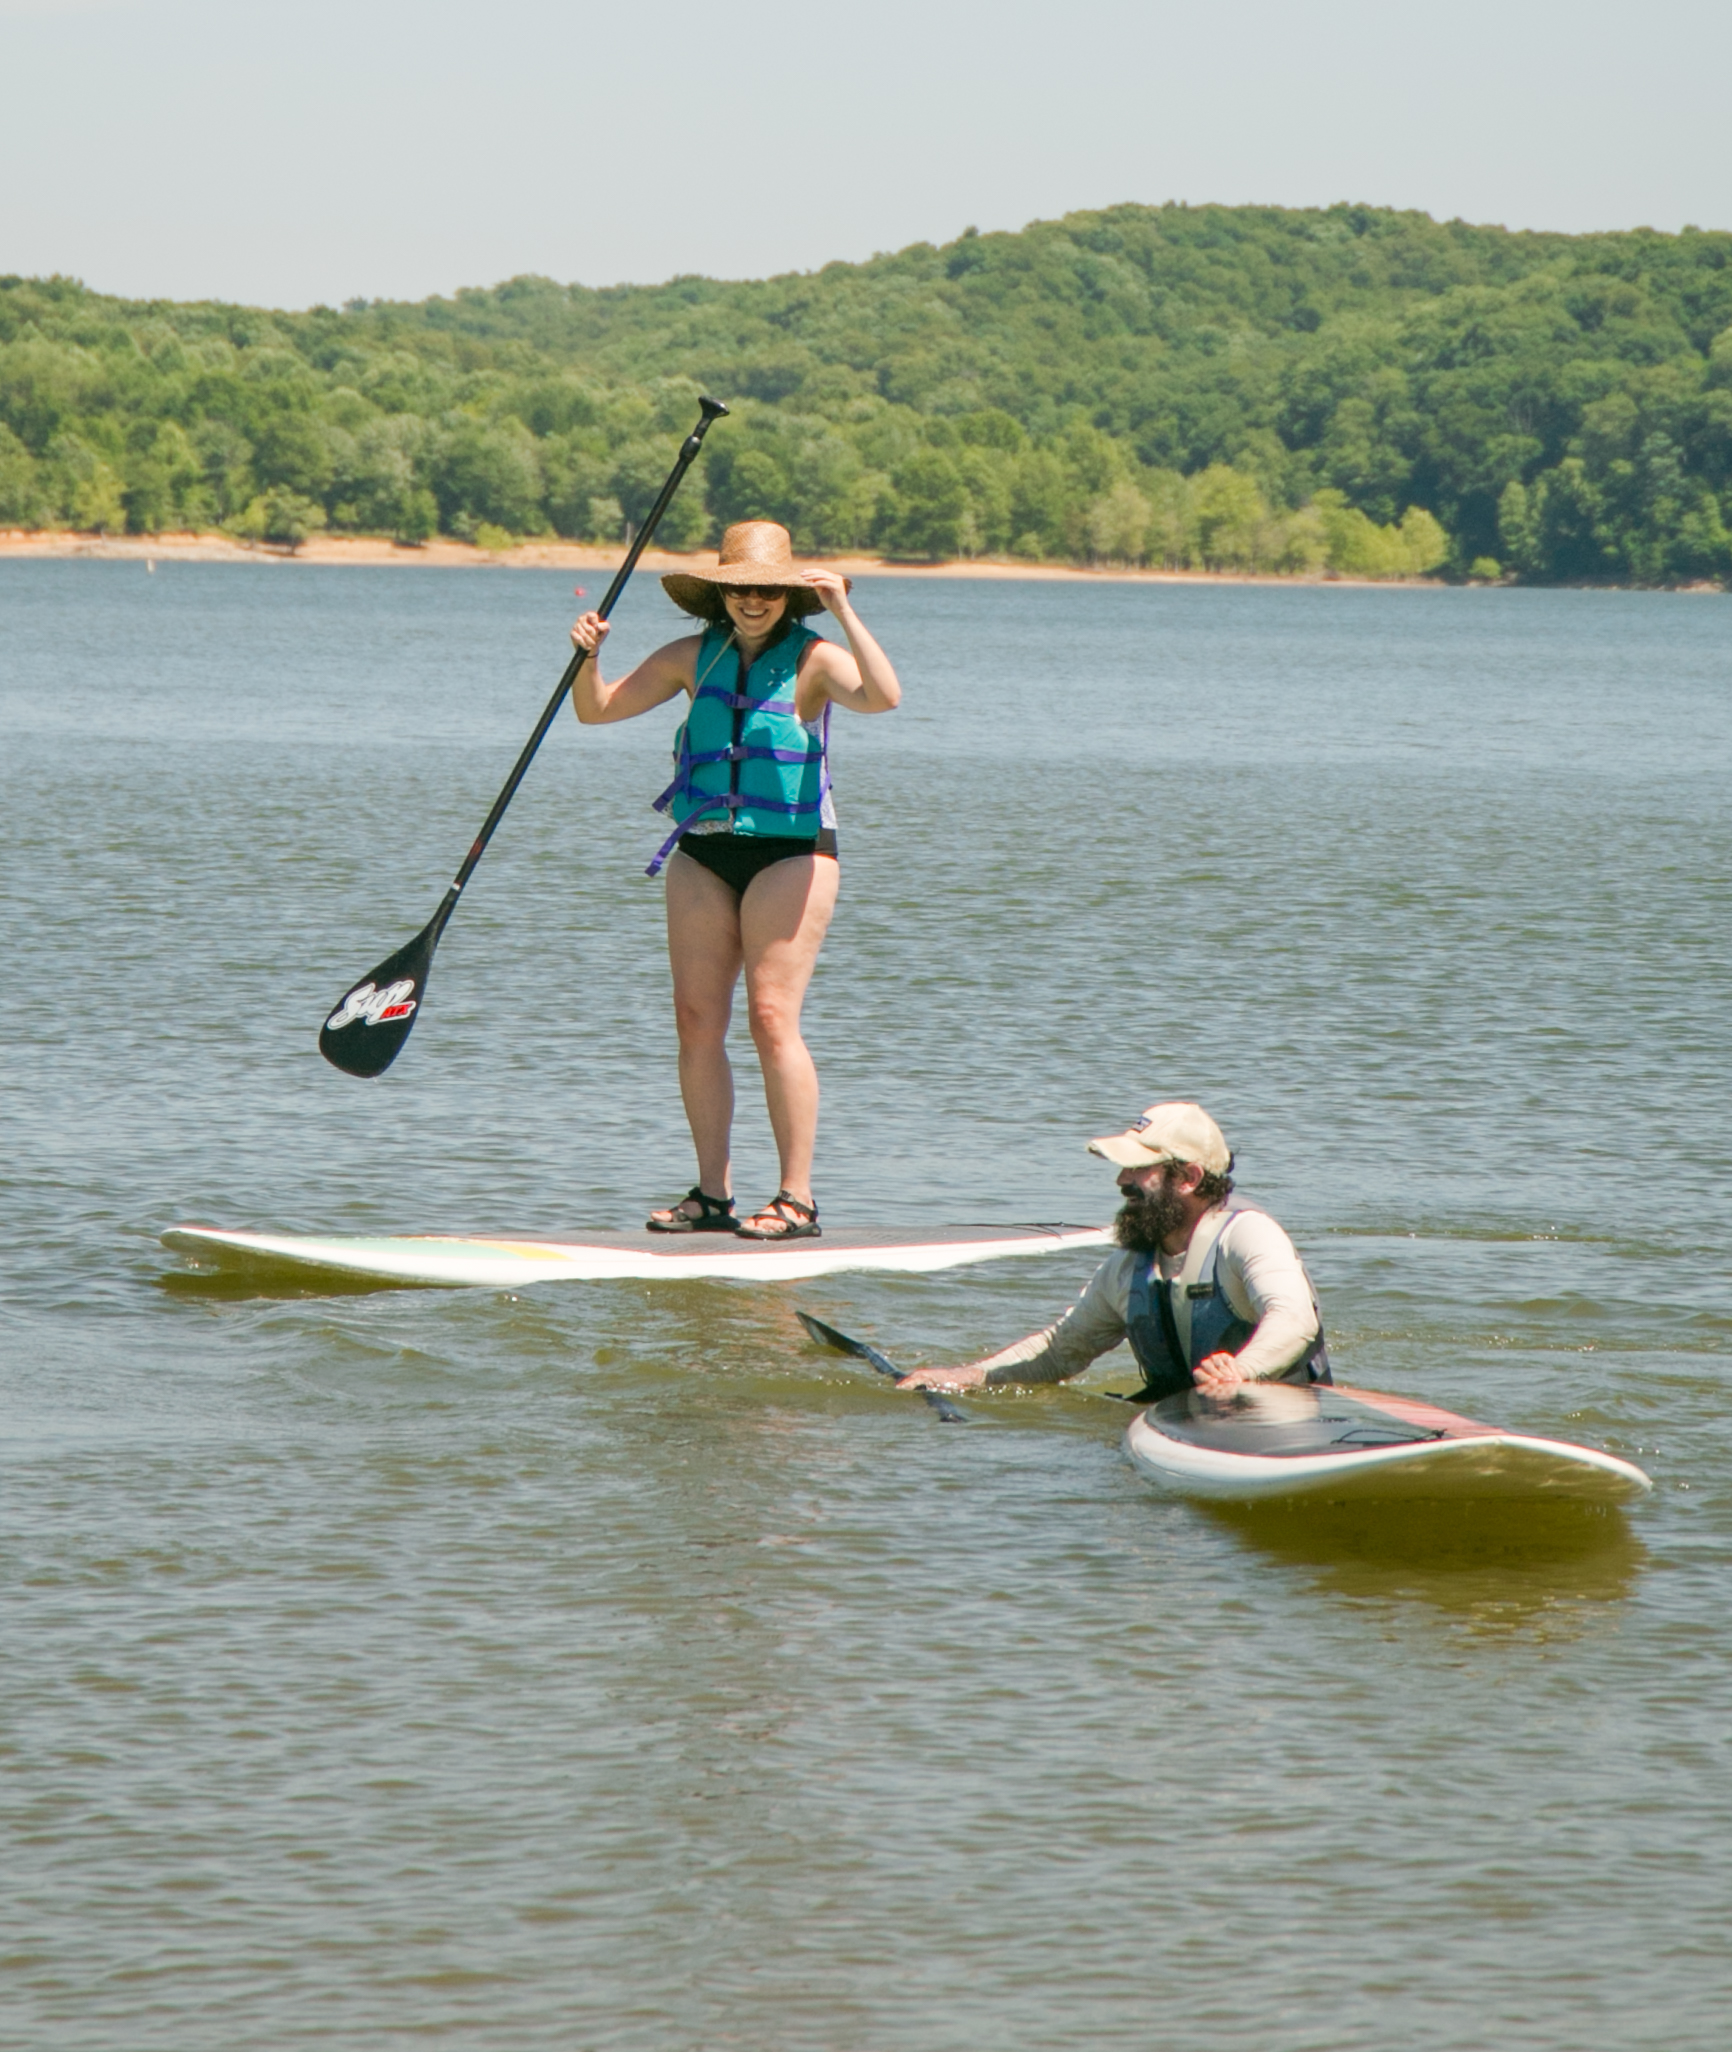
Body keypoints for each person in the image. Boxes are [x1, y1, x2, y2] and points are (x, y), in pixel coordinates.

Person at [570, 517, 900, 1240]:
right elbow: (594, 711)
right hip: (703, 850)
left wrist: (844, 607)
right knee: (696, 1019)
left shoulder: (814, 658)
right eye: (740, 589)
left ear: (788, 595)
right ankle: (711, 1193)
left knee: (771, 1017)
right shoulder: (693, 653)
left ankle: (796, 1197)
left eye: (768, 590)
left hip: (792, 850)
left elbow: (883, 695)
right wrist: (587, 657)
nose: (754, 601)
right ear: (720, 594)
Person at [899, 1101, 1331, 1397]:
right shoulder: (1128, 1268)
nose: (1122, 1180)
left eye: (1139, 1168)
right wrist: (970, 1376)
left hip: (1280, 1415)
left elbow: (1294, 1319)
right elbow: (1060, 1350)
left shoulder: (1248, 1235)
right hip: (1187, 1419)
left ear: (1190, 1178)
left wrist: (1241, 1370)